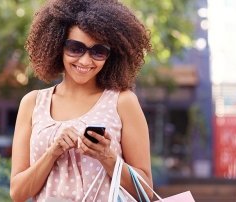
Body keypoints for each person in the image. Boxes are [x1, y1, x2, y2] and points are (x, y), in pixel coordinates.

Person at [10, 0, 153, 201]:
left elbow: (145, 191)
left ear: (111, 55)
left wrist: (107, 156)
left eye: (98, 51)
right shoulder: (33, 103)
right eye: (75, 48)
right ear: (57, 46)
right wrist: (53, 153)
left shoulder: (123, 102)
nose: (85, 61)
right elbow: (18, 193)